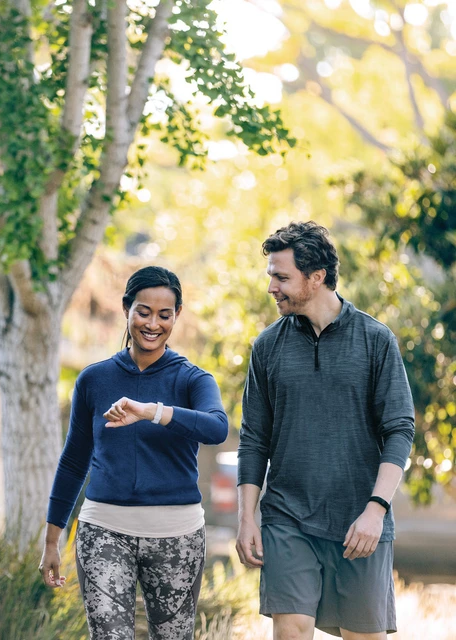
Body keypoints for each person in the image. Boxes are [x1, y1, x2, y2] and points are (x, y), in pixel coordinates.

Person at [236, 221, 415, 640]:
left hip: (360, 520)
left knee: (362, 636)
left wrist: (376, 510)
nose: (271, 287)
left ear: (316, 278)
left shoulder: (375, 339)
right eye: (271, 276)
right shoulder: (267, 346)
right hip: (288, 517)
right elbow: (253, 438)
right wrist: (248, 517)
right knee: (292, 630)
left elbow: (400, 430)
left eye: (282, 277)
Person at [40, 265, 228, 640]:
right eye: (143, 311)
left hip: (177, 534)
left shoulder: (193, 379)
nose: (153, 324)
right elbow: (74, 460)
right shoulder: (94, 379)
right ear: (126, 308)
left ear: (176, 316)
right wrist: (51, 540)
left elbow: (216, 427)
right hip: (104, 531)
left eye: (165, 314)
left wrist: (150, 411)